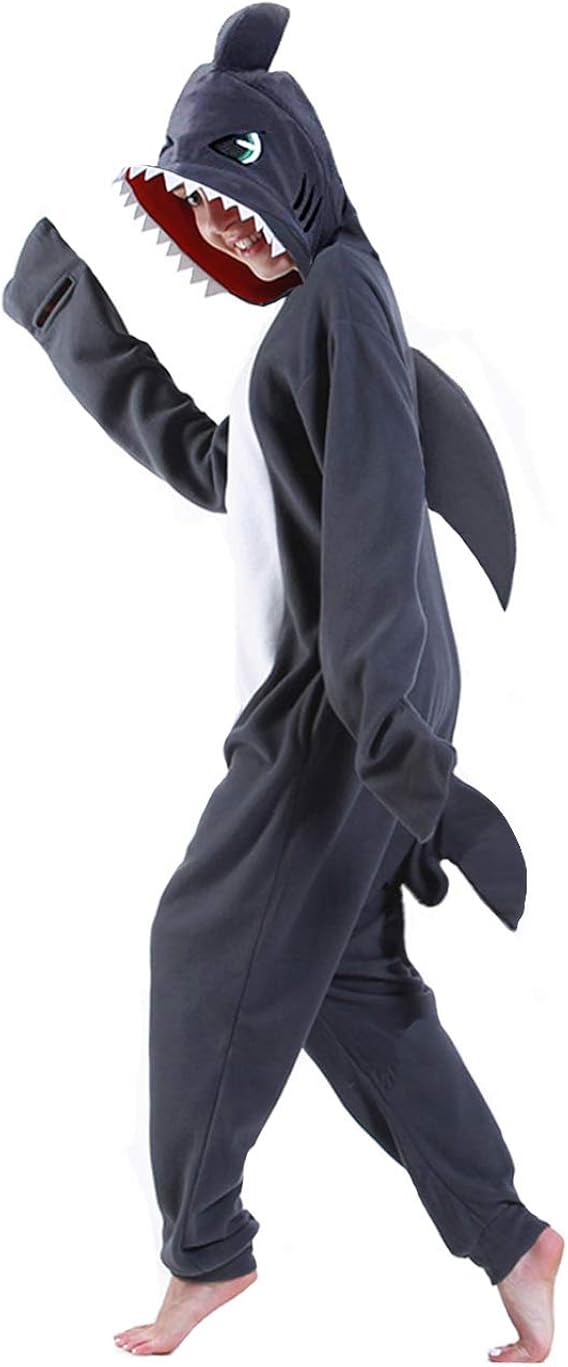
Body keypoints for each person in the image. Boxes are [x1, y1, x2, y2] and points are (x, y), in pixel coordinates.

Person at [2, 4, 563, 1361]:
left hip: (338, 713)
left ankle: (206, 1252)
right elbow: (228, 470)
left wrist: (399, 754)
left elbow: (373, 522)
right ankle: (516, 1245)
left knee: (203, 943)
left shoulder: (342, 299)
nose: (227, 225)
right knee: (347, 985)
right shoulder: (315, 318)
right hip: (353, 706)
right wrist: (69, 316)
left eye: (241, 189)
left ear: (297, 173)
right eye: (203, 205)